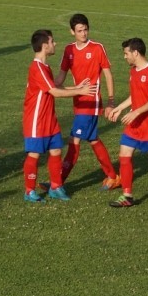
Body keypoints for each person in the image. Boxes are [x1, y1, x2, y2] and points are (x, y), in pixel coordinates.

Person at [23, 29, 97, 202]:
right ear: (44, 45)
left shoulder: (45, 67)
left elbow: (54, 87)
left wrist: (78, 87)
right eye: (52, 41)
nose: (54, 44)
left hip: (49, 118)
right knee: (34, 154)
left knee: (56, 150)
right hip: (36, 119)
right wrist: (80, 91)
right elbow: (55, 92)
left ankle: (56, 187)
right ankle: (29, 191)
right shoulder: (37, 67)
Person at [53, 14, 120, 191]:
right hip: (78, 102)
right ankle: (113, 176)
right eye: (79, 30)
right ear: (72, 32)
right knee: (92, 139)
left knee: (74, 141)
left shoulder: (97, 48)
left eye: (85, 29)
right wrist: (47, 85)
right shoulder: (69, 50)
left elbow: (107, 74)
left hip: (91, 102)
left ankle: (58, 182)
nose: (83, 33)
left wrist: (111, 101)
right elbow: (60, 77)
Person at [107, 38, 148, 208]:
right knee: (124, 155)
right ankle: (127, 195)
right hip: (134, 125)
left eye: (126, 53)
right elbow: (134, 96)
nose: (125, 57)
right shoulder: (133, 71)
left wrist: (136, 112)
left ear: (135, 53)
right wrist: (120, 108)